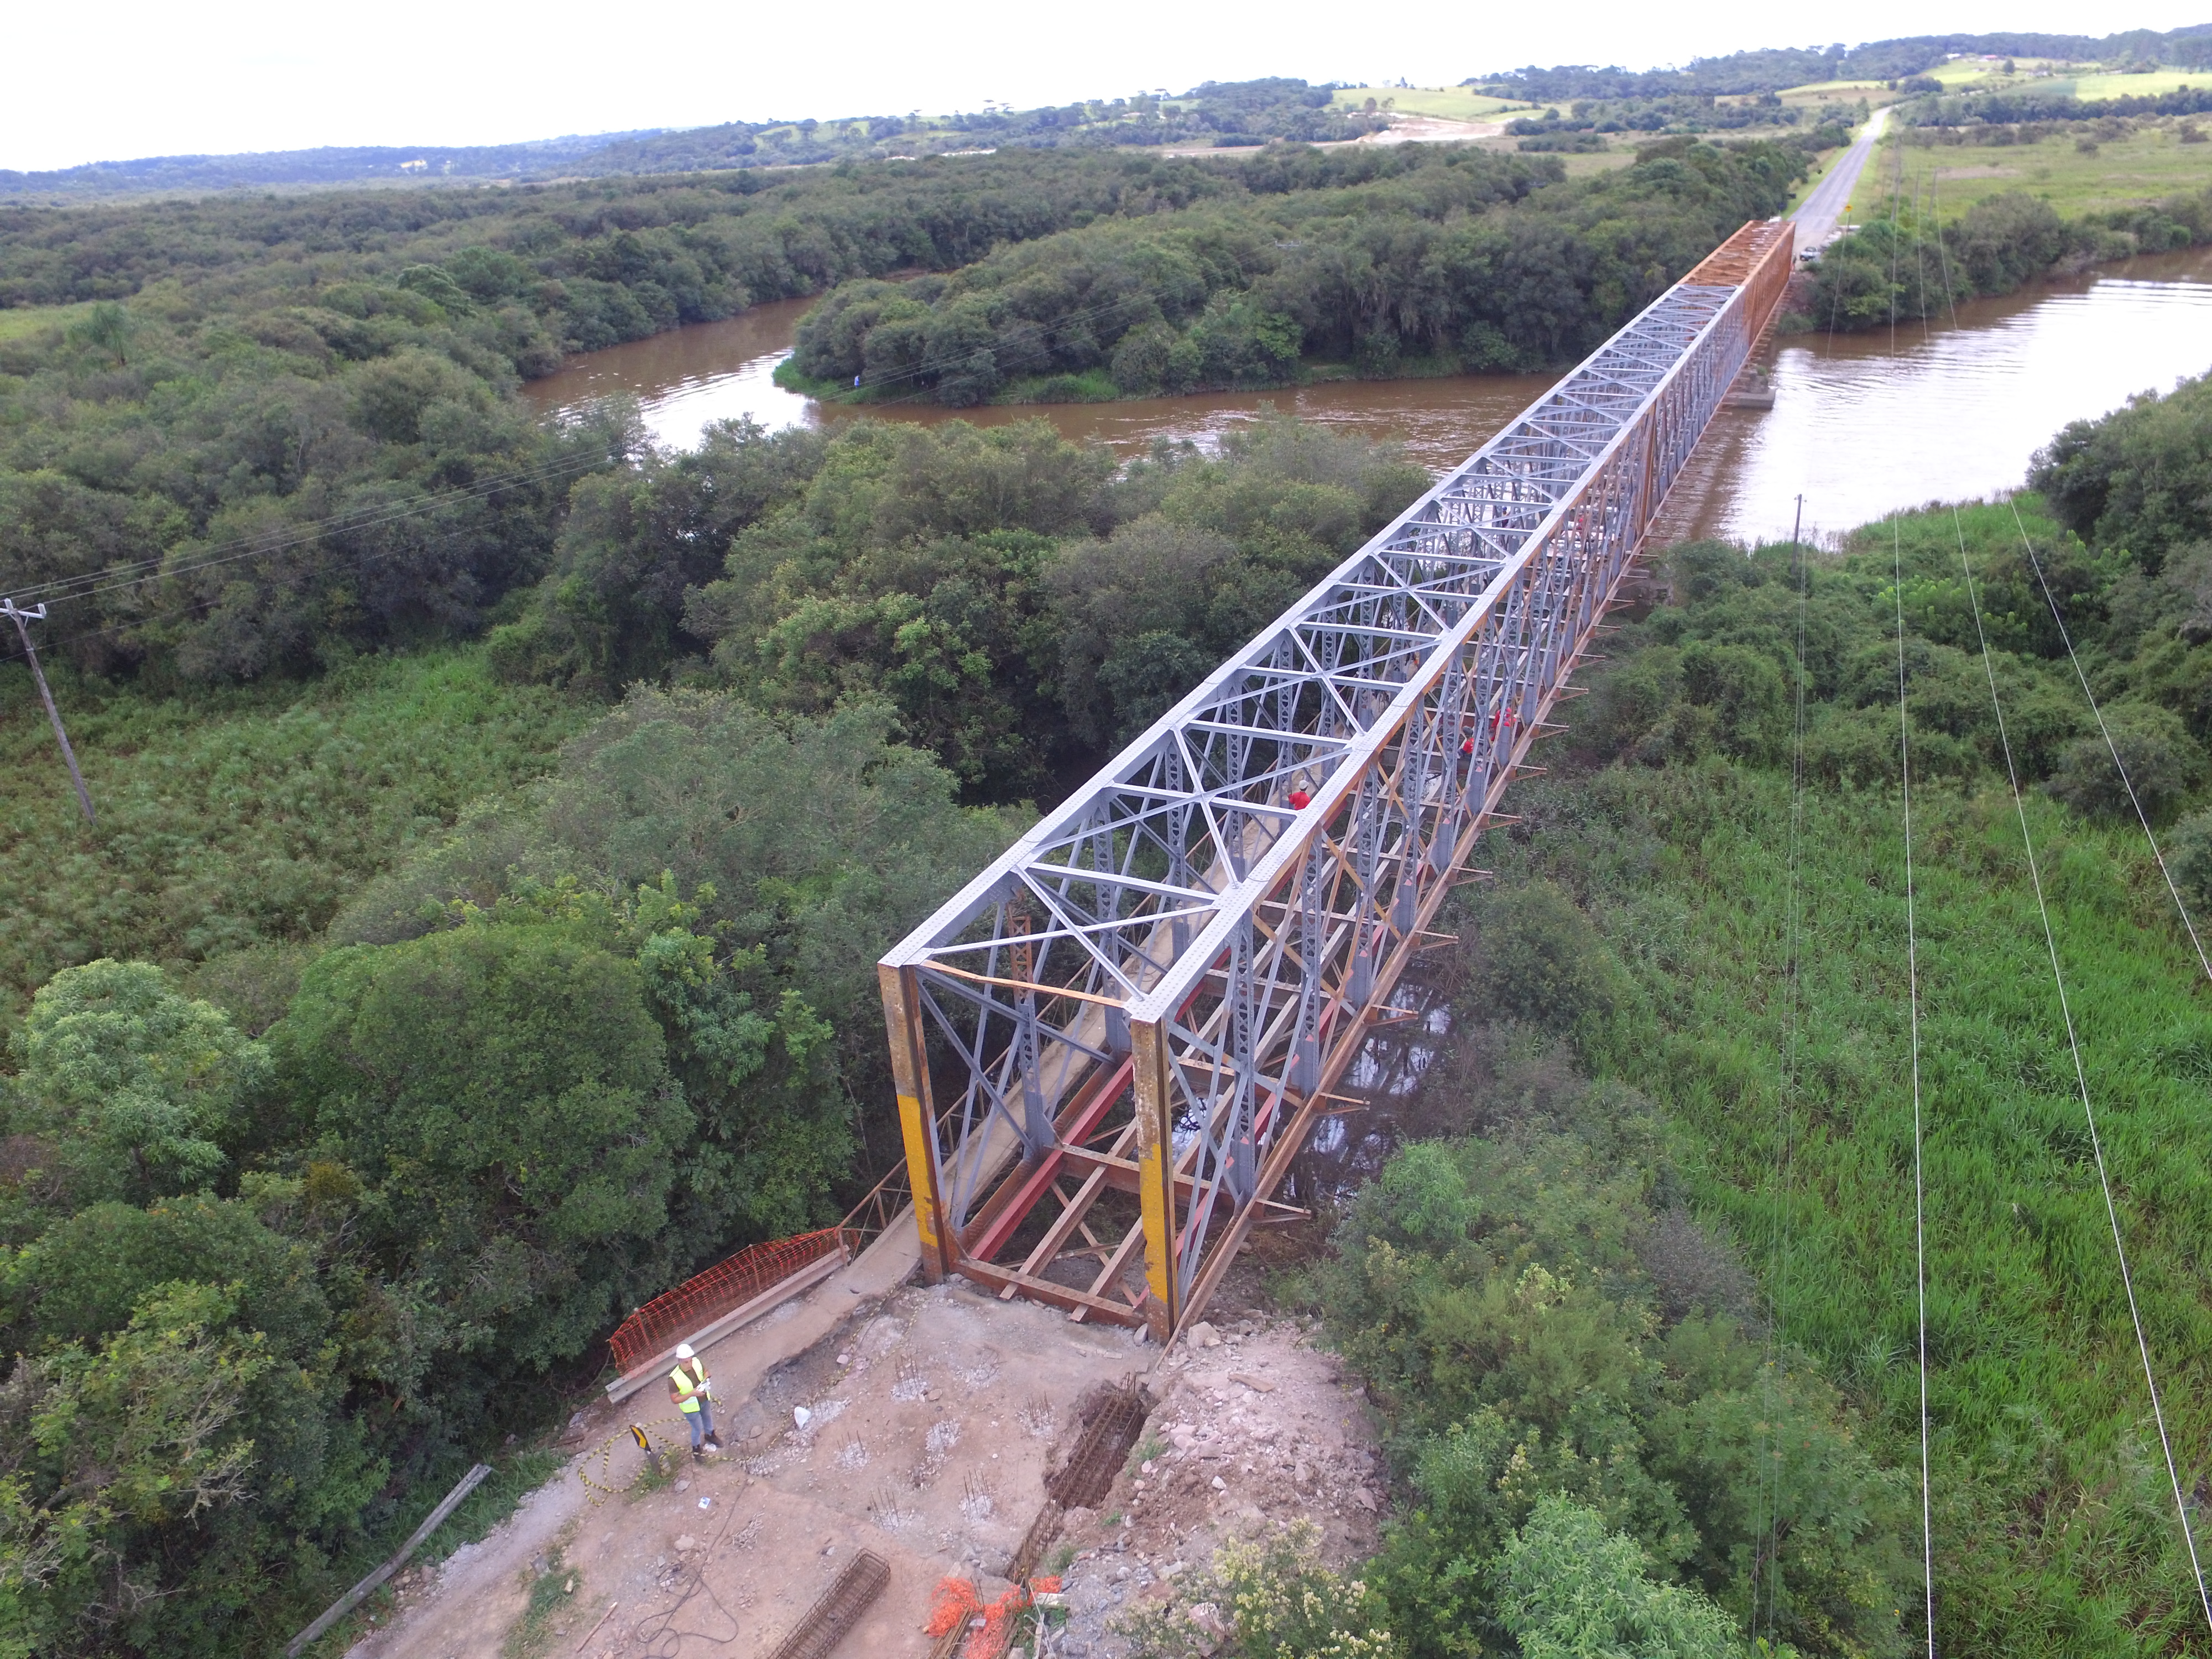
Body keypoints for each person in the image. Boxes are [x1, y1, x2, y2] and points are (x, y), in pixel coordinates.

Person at [669, 1342, 721, 1455]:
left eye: (690, 1360)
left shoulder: (696, 1362)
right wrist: (692, 1394)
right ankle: (696, 1448)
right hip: (691, 1409)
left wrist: (706, 1379)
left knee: (708, 1418)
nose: (690, 1364)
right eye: (686, 1362)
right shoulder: (674, 1378)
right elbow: (675, 1399)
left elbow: (706, 1372)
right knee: (697, 1428)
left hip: (704, 1399)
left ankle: (710, 1435)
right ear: (679, 1361)